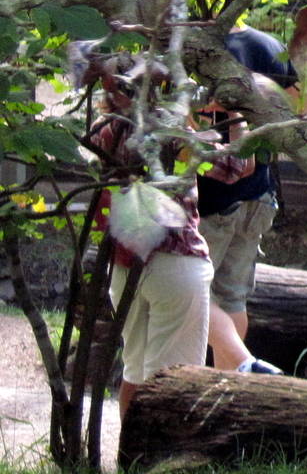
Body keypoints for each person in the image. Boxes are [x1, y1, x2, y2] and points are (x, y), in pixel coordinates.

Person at [88, 63, 252, 415]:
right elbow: (236, 168)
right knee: (176, 378)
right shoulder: (169, 127)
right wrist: (236, 115)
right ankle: (160, 463)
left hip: (122, 264)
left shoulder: (102, 129)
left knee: (135, 369)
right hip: (176, 263)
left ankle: (128, 462)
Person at [196, 24, 307, 376]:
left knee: (191, 289)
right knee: (232, 296)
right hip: (259, 196)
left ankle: (241, 363)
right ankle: (233, 388)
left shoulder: (199, 46)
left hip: (212, 197)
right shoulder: (267, 44)